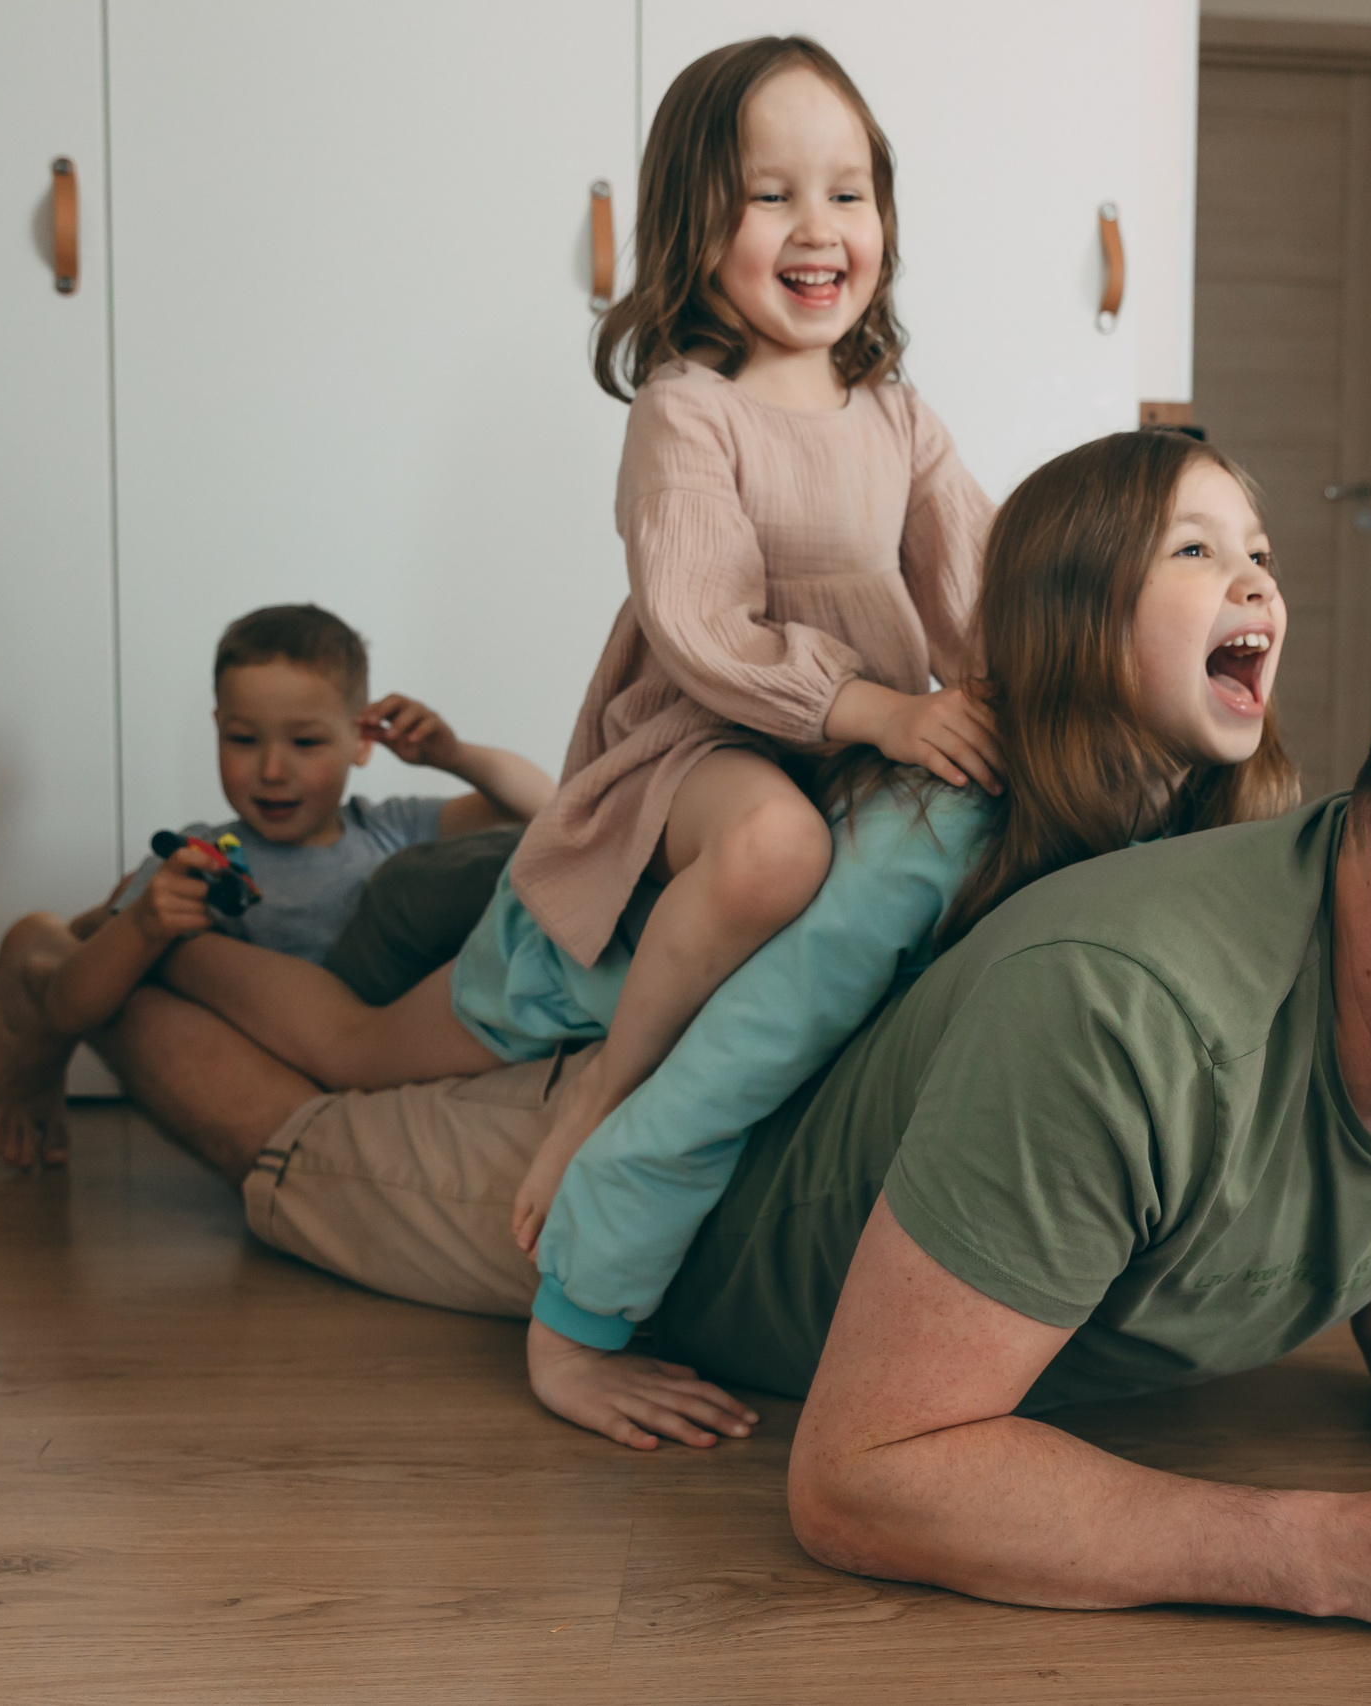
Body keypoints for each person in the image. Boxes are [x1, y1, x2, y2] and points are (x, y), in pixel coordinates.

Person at [89, 593, 1371, 1661]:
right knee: (296, 1137)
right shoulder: (1126, 1009)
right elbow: (864, 1476)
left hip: (777, 1048)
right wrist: (1348, 1552)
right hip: (648, 1180)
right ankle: (83, 972)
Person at [146, 427, 1293, 1443]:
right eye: (1194, 549)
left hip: (685, 883)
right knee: (349, 1052)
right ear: (1072, 610)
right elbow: (733, 1057)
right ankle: (167, 935)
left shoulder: (1203, 811)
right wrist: (575, 1330)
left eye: (1257, 551)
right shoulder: (940, 832)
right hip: (589, 962)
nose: (1250, 577)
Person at [143, 38, 998, 1256]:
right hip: (693, 756)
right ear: (693, 223)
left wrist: (1019, 690)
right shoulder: (686, 408)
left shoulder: (899, 415)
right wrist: (883, 711)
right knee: (361, 1045)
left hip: (841, 750)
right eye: (771, 194)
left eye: (848, 191)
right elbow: (703, 633)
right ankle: (170, 956)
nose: (819, 228)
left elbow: (977, 590)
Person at [0, 602, 553, 1169]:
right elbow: (71, 1006)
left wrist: (453, 756)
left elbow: (542, 807)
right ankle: (36, 963)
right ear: (218, 729)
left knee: (487, 872)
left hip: (388, 1042)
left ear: (362, 741)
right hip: (290, 1056)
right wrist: (144, 924)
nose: (273, 770)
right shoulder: (196, 857)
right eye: (244, 740)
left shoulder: (391, 826)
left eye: (306, 743)